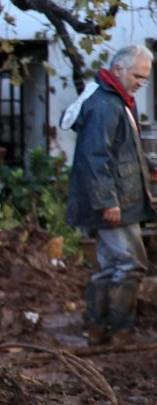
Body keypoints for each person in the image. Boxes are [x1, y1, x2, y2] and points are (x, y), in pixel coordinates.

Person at [66, 44, 156, 346]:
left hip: (120, 199)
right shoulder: (106, 104)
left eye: (145, 79)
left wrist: (149, 169)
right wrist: (108, 201)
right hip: (117, 203)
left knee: (110, 267)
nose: (141, 83)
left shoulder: (116, 99)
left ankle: (98, 329)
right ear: (118, 69)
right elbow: (96, 156)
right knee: (130, 265)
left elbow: (121, 152)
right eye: (138, 76)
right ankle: (121, 331)